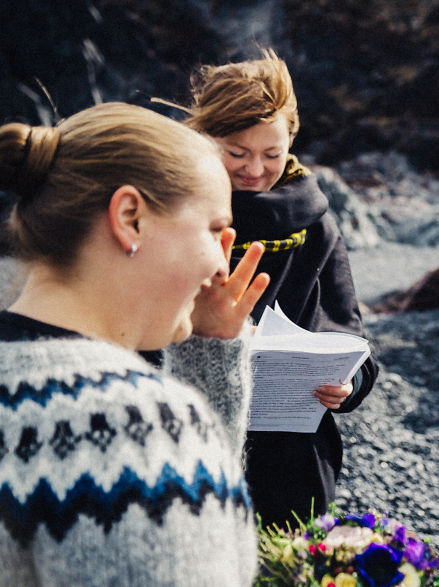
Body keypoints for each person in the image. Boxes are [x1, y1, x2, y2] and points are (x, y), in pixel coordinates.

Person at [0, 102, 270, 585]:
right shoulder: (139, 427)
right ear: (130, 217)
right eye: (214, 230)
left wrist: (206, 347)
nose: (219, 266)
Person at [173, 48, 378, 527]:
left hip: (291, 453)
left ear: (292, 141)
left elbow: (351, 336)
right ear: (203, 139)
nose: (254, 169)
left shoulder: (316, 222)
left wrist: (349, 386)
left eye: (271, 154)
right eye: (237, 153)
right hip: (184, 435)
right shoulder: (175, 213)